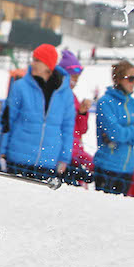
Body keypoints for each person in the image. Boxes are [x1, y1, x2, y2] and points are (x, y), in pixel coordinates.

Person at [0, 43, 74, 181]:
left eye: (37, 60)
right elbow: (7, 121)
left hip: (47, 162)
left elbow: (68, 128)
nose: (33, 64)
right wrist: (0, 152)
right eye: (33, 59)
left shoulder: (65, 94)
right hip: (18, 159)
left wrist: (64, 158)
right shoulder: (20, 87)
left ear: (48, 65)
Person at [92, 59, 134, 195]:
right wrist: (133, 129)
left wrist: (125, 135)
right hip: (107, 167)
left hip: (127, 169)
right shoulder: (105, 102)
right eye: (130, 79)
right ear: (119, 79)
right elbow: (115, 133)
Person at [57, 49, 94, 186]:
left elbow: (81, 130)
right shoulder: (58, 97)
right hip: (63, 156)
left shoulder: (74, 98)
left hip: (75, 154)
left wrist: (83, 113)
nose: (75, 82)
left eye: (77, 79)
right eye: (73, 78)